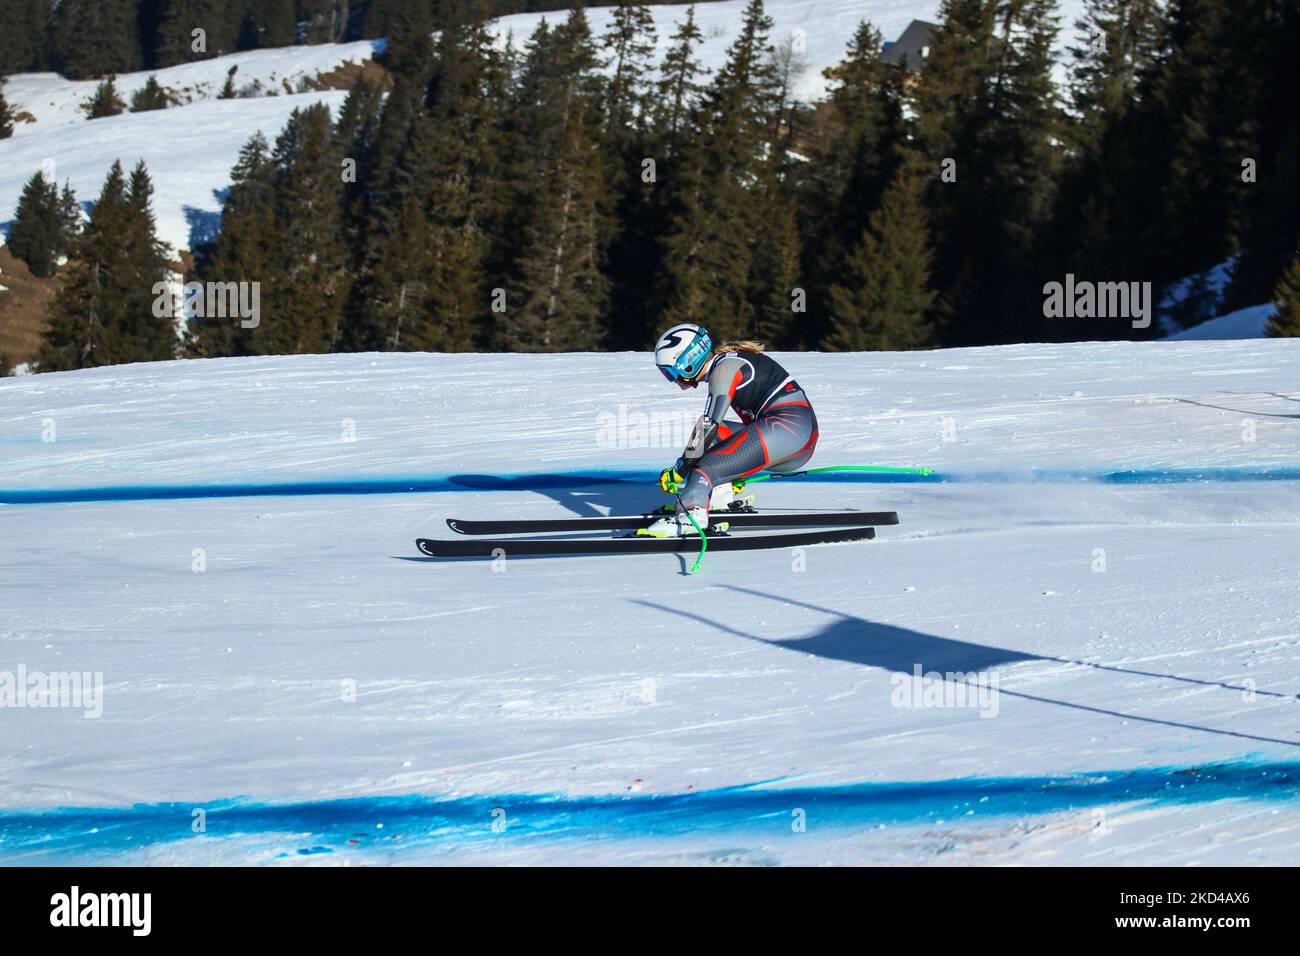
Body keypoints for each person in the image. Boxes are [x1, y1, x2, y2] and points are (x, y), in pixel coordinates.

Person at [642, 323, 819, 537]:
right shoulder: (724, 364)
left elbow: (710, 425)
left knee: (706, 465)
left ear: (687, 362)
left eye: (670, 373)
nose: (672, 380)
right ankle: (717, 494)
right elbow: (711, 429)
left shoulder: (723, 371)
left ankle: (691, 516)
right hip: (793, 432)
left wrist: (681, 469)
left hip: (789, 430)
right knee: (713, 440)